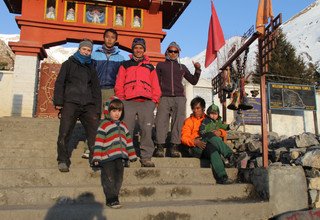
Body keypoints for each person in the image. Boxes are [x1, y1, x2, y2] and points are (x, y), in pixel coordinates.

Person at [53, 39, 101, 172]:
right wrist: (58, 101)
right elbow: (60, 83)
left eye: (89, 50)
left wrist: (97, 108)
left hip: (88, 103)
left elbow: (96, 88)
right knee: (64, 131)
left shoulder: (91, 67)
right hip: (70, 102)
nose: (86, 52)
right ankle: (62, 160)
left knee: (94, 132)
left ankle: (95, 158)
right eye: (84, 49)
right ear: (79, 49)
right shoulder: (68, 64)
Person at [115, 38, 161, 167]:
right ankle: (124, 155)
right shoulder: (125, 64)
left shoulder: (150, 67)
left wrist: (154, 100)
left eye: (141, 48)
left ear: (144, 50)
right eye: (136, 47)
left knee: (146, 130)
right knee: (126, 130)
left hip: (146, 102)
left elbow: (155, 85)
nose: (138, 50)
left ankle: (146, 157)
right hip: (128, 101)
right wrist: (121, 98)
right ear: (132, 49)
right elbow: (119, 83)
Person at [154, 42, 201, 157]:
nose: (173, 53)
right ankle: (160, 147)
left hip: (179, 98)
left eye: (175, 51)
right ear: (167, 52)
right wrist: (156, 97)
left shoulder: (182, 67)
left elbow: (193, 81)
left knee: (178, 123)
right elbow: (155, 82)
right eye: (171, 51)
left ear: (178, 53)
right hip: (164, 97)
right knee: (161, 122)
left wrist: (197, 70)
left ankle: (174, 147)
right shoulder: (160, 65)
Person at [92, 96, 137, 208]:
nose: (117, 113)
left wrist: (132, 155)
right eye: (114, 110)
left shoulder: (124, 126)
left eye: (119, 110)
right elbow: (99, 142)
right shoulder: (104, 125)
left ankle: (115, 196)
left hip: (120, 157)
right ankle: (111, 199)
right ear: (108, 111)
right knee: (109, 178)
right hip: (107, 158)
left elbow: (128, 142)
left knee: (119, 178)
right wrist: (97, 157)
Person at [181, 97, 235, 184]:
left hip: (208, 145)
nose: (195, 111)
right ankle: (230, 155)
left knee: (212, 149)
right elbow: (184, 138)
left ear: (203, 109)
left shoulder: (209, 118)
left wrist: (220, 132)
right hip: (195, 147)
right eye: (193, 108)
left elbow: (222, 129)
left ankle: (222, 177)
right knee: (209, 135)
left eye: (198, 108)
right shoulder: (188, 121)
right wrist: (194, 142)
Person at [92, 28, 125, 114]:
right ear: (103, 38)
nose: (109, 40)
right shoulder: (94, 55)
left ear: (115, 40)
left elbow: (122, 78)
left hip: (112, 91)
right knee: (95, 116)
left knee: (110, 116)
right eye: (107, 37)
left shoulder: (121, 58)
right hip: (96, 90)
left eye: (113, 37)